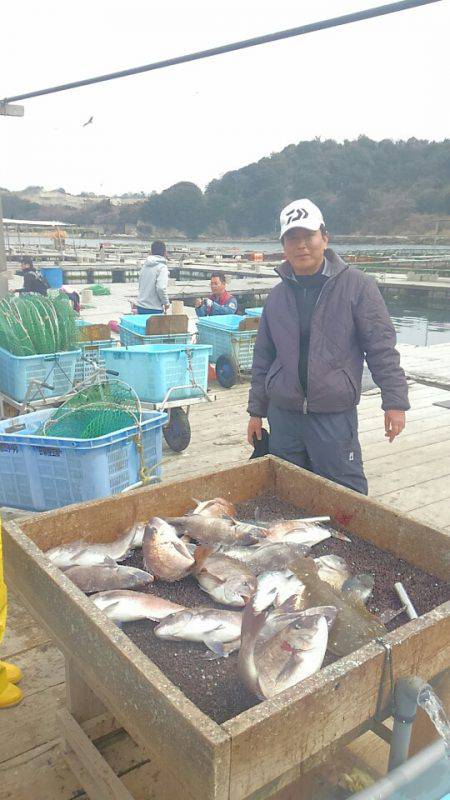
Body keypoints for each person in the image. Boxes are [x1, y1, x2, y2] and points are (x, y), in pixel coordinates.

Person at [247, 198, 409, 495]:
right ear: (283, 246)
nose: (302, 245)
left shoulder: (358, 286)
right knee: (287, 494)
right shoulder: (276, 297)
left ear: (325, 237)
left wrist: (395, 402)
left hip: (334, 415)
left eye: (308, 236)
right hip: (283, 416)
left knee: (346, 495)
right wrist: (256, 411)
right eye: (292, 238)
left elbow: (381, 348)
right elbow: (263, 358)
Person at [136, 241, 170, 314]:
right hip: (154, 308)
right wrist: (166, 303)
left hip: (140, 306)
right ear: (165, 252)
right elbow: (161, 288)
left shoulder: (144, 266)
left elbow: (140, 284)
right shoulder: (162, 267)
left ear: (151, 252)